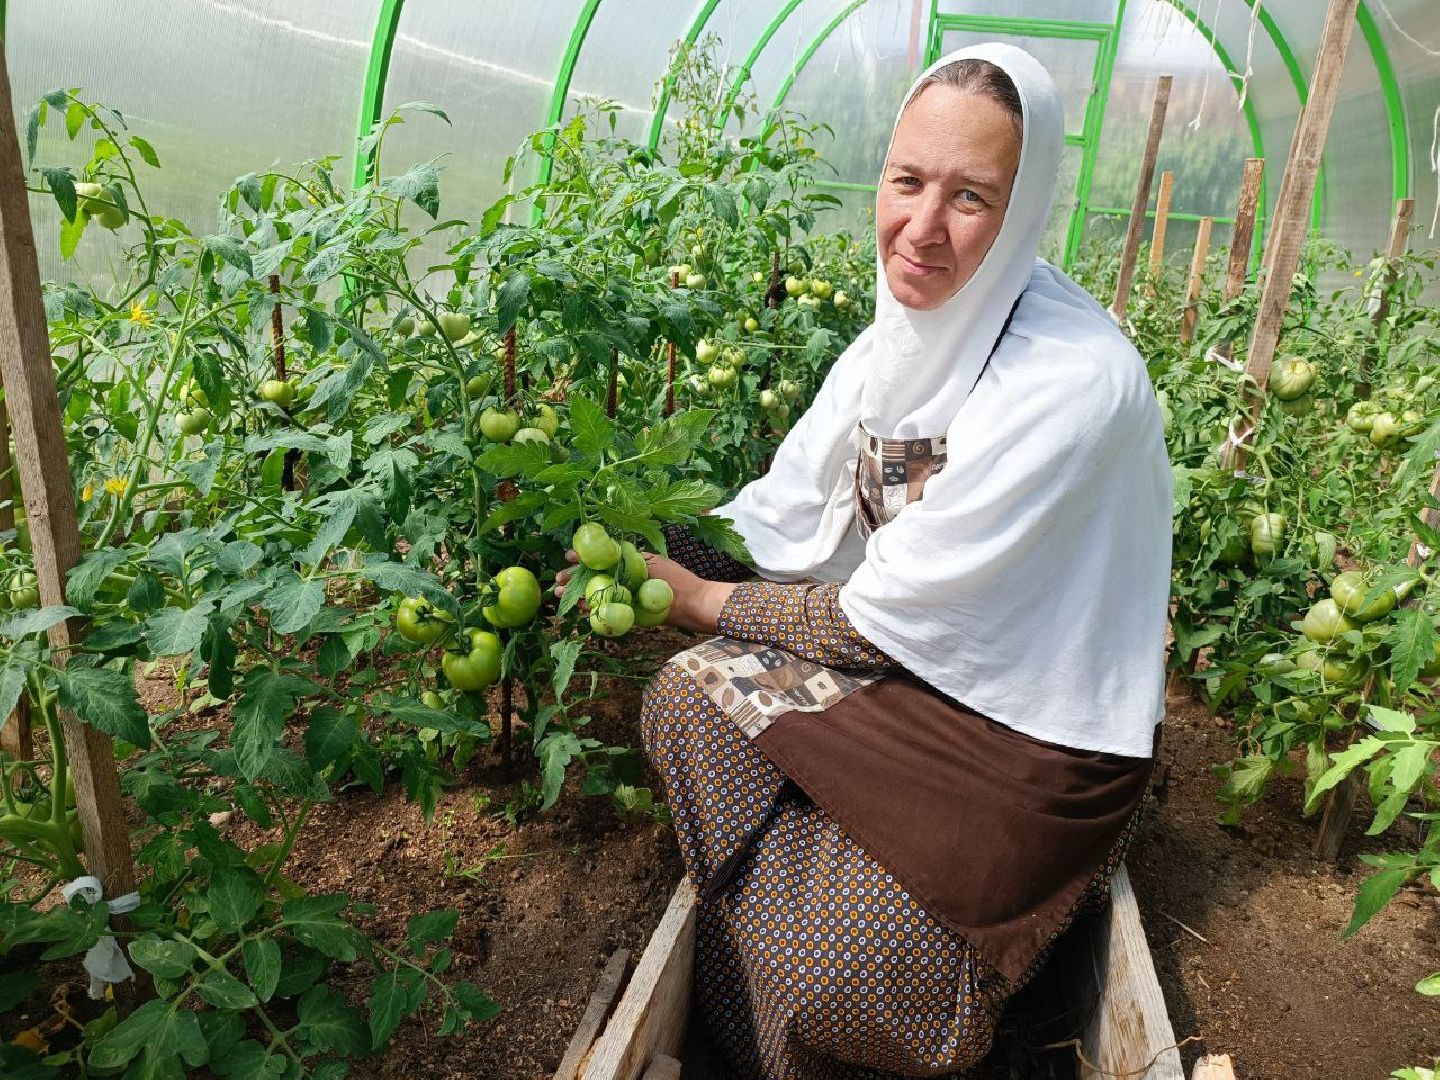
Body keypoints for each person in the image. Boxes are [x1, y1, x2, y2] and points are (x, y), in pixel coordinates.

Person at [563, 42, 1171, 1079]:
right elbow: (784, 520)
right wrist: (629, 533)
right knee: (685, 704)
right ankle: (823, 936)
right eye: (906, 181)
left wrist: (694, 597)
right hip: (913, 665)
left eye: (970, 197)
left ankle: (860, 961)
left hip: (1025, 739)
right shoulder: (906, 333)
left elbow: (867, 622)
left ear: (1023, 208)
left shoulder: (1073, 384)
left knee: (845, 982)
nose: (922, 228)